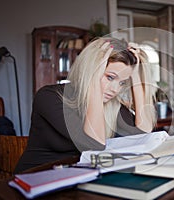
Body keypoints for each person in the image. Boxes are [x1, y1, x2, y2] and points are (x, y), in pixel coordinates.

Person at [14, 37, 157, 173]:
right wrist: (94, 80)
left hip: (75, 178)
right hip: (35, 178)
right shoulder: (49, 97)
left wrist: (136, 75)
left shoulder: (110, 105)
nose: (115, 89)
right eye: (110, 77)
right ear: (92, 70)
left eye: (122, 82)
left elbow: (143, 134)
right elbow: (95, 145)